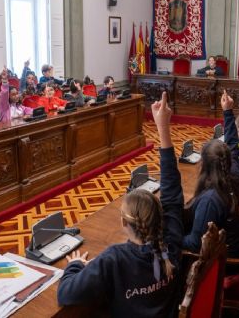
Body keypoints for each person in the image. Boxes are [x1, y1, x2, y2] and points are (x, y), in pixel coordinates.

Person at [57, 91, 184, 318]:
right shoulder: (170, 243)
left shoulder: (113, 259)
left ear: (124, 222)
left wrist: (75, 266)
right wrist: (163, 130)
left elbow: (66, 294)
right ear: (158, 217)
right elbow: (173, 197)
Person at [183, 139, 239, 259]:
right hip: (236, 249)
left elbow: (195, 244)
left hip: (226, 263)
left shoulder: (210, 200)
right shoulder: (232, 181)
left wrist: (172, 238)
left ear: (203, 164)